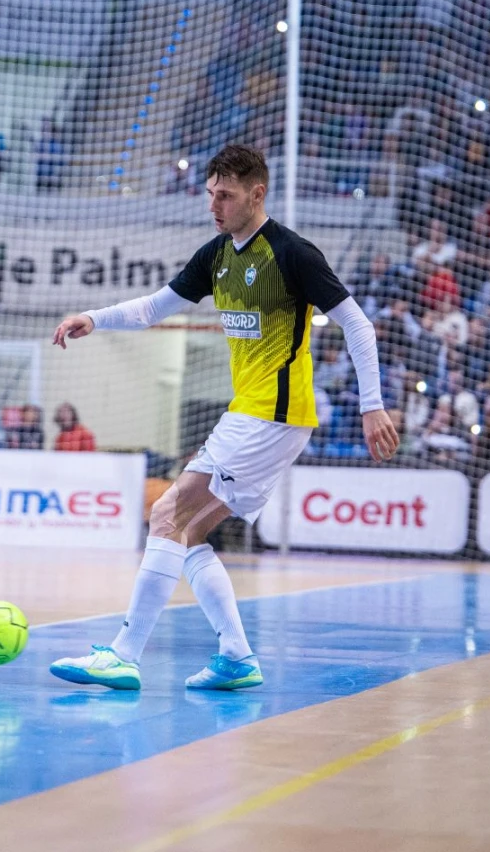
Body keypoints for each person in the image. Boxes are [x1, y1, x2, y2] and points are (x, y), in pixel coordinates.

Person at [47, 144, 398, 691]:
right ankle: (236, 657)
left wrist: (371, 404)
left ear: (257, 194)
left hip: (270, 413)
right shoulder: (216, 255)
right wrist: (94, 317)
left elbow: (357, 323)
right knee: (188, 532)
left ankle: (123, 654)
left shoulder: (292, 253)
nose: (214, 205)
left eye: (226, 196)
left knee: (167, 510)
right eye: (211, 194)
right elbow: (153, 308)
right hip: (261, 416)